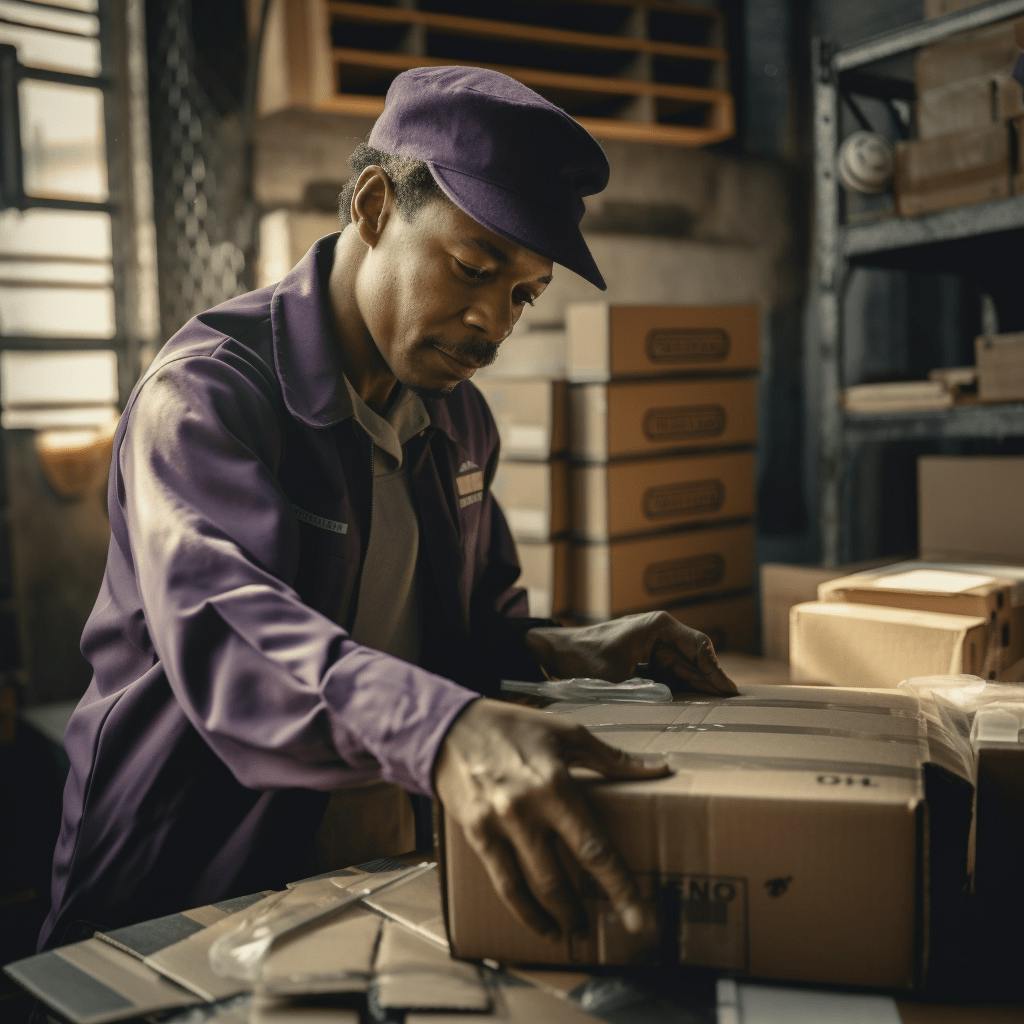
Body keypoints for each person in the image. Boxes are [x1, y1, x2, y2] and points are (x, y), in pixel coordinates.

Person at [40, 66, 735, 950]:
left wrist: (570, 647)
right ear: (373, 206)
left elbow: (457, 637)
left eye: (522, 294)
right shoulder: (209, 397)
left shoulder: (457, 420)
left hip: (358, 887)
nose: (493, 322)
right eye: (473, 268)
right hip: (179, 891)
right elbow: (231, 640)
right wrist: (443, 732)